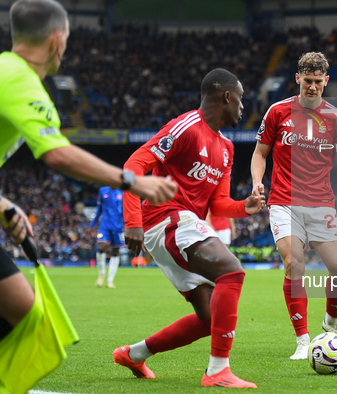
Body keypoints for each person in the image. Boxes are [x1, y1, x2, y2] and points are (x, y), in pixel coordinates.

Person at [0, 0, 177, 391]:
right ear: (57, 39)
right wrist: (133, 181)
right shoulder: (20, 79)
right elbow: (57, 153)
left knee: (20, 307)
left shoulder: (5, 71)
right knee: (21, 309)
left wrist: (4, 205)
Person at [115, 68, 265, 388]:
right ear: (226, 95)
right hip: (166, 219)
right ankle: (217, 371)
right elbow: (133, 166)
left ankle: (134, 354)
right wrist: (132, 222)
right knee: (232, 273)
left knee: (210, 319)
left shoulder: (227, 148)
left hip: (184, 224)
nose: (243, 107)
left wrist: (244, 207)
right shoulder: (186, 127)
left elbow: (218, 204)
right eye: (240, 99)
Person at [251, 52, 337, 360]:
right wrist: (257, 182)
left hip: (321, 205)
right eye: (307, 81)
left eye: (318, 82)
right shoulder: (277, 112)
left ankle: (331, 322)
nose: (312, 87)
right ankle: (302, 340)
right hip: (284, 202)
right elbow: (260, 153)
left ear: (326, 81)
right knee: (294, 264)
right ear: (297, 78)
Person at [90, 186, 125, 288]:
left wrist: (128, 224)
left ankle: (110, 280)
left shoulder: (123, 192)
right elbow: (99, 209)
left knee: (115, 251)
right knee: (101, 247)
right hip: (104, 225)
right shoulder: (103, 190)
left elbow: (126, 210)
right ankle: (101, 274)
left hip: (118, 226)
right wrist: (93, 223)